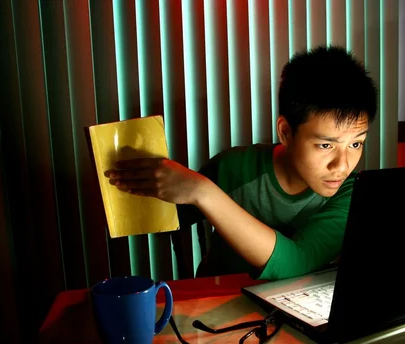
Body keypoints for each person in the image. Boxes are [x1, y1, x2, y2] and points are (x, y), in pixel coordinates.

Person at [105, 45, 378, 281]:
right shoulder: (234, 167)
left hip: (296, 316)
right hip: (218, 302)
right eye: (326, 145)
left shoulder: (351, 193)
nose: (342, 165)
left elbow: (297, 263)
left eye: (356, 144)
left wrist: (204, 192)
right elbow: (164, 216)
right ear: (285, 132)